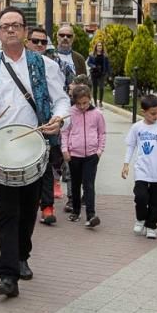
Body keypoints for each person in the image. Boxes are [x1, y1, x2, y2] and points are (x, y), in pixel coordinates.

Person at [0, 7, 70, 298]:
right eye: (5, 26)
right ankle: (8, 275)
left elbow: (62, 100)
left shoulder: (44, 65)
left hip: (35, 147)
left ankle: (22, 254)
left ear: (24, 31)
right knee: (8, 212)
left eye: (16, 25)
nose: (11, 30)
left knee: (27, 211)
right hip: (1, 150)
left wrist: (58, 119)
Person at [29, 27, 71, 223]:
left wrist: (59, 118)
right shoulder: (11, 64)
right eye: (35, 41)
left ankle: (47, 207)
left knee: (45, 167)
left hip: (44, 125)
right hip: (20, 127)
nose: (39, 45)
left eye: (43, 42)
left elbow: (60, 98)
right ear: (26, 41)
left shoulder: (51, 65)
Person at [122, 94, 157, 239]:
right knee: (140, 197)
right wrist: (126, 164)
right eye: (153, 113)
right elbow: (131, 146)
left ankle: (151, 225)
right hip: (142, 170)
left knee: (156, 202)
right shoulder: (137, 128)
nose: (156, 116)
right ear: (143, 112)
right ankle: (140, 218)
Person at [60, 83, 106, 228]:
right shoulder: (70, 113)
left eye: (85, 103)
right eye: (79, 103)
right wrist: (65, 150)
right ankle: (76, 210)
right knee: (75, 183)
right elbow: (65, 132)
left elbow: (102, 133)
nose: (82, 106)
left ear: (90, 99)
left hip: (92, 155)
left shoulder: (98, 114)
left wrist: (99, 151)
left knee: (89, 184)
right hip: (74, 155)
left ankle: (91, 215)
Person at [86, 41, 111, 109]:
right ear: (96, 47)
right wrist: (93, 66)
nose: (99, 47)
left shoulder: (105, 55)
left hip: (102, 74)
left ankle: (100, 102)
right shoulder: (92, 55)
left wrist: (109, 74)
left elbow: (108, 65)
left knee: (101, 88)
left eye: (100, 46)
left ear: (102, 47)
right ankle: (95, 102)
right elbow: (88, 63)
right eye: (98, 46)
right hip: (94, 73)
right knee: (95, 89)